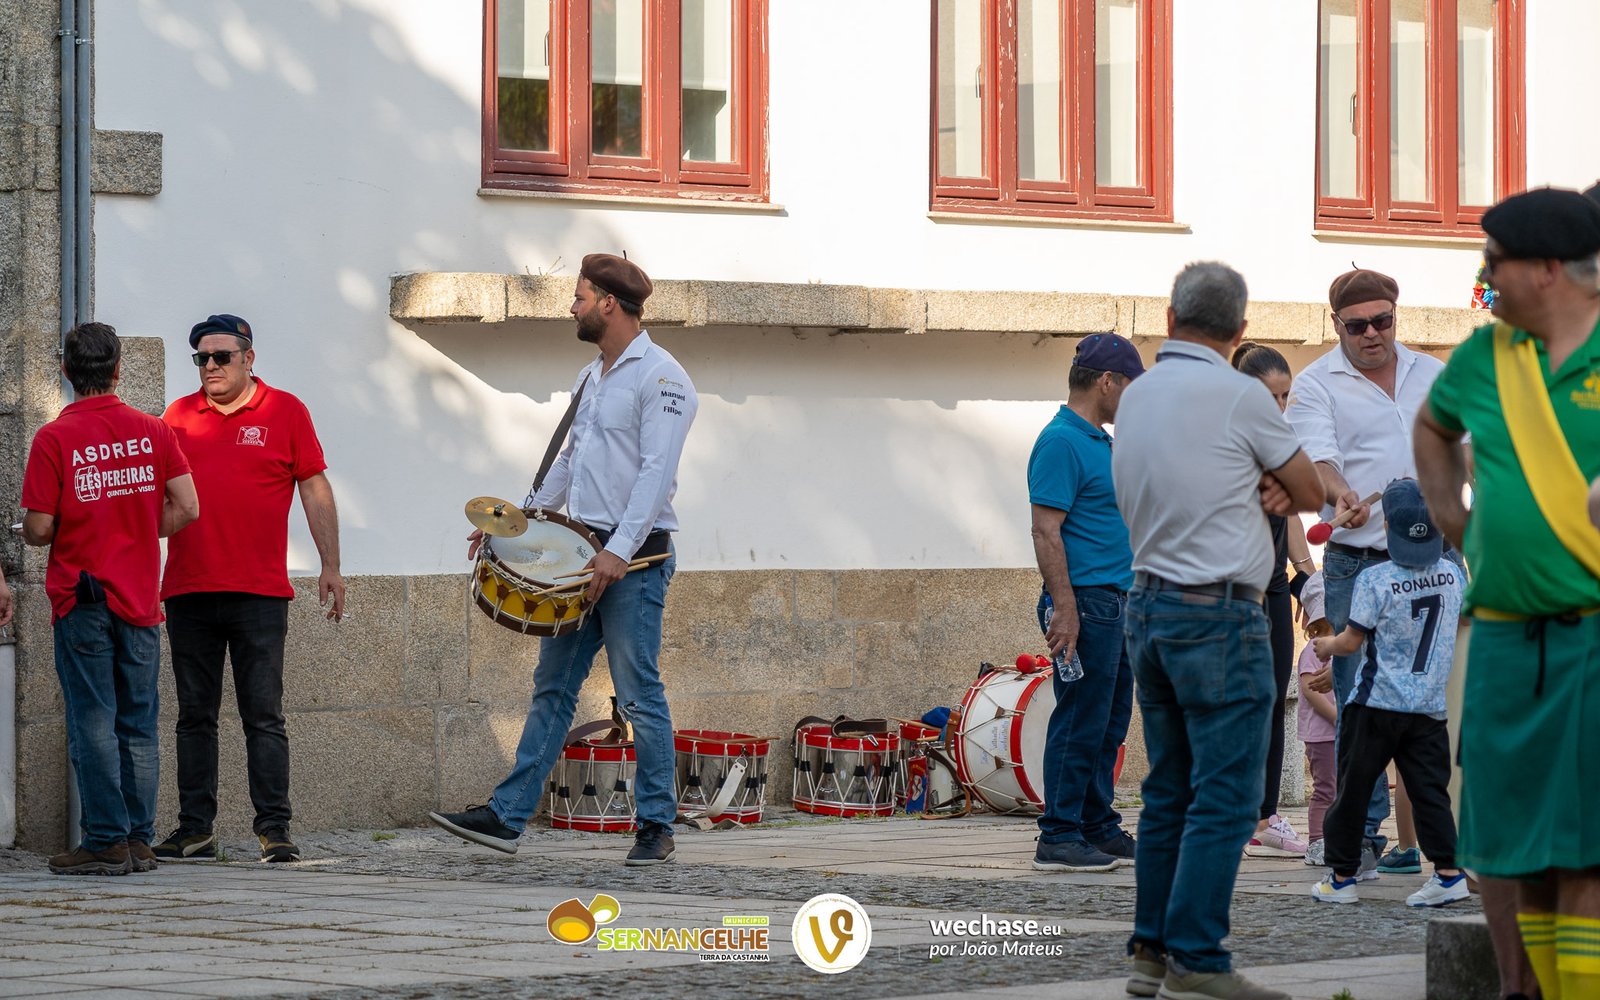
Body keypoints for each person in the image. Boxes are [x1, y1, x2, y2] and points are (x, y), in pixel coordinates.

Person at [431, 254, 697, 867]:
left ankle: (656, 825)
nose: (571, 307)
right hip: (579, 552)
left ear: (608, 303)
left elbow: (656, 477)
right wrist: (512, 530)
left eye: (579, 297)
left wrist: (616, 553)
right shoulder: (592, 376)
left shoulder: (663, 378)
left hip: (633, 558)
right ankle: (506, 818)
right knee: (553, 687)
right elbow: (568, 463)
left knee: (638, 695)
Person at [1112, 262, 1322, 1000]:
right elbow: (1310, 488)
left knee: (1168, 789)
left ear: (1170, 317)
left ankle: (1150, 952)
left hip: (1147, 605)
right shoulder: (1240, 396)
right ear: (1239, 332)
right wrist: (1267, 479)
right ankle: (1199, 957)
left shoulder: (1134, 397)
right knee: (1229, 793)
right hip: (1219, 612)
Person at [1415, 186, 1600, 1000]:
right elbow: (1432, 427)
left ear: (1548, 270)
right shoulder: (1483, 357)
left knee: (1584, 846)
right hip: (1498, 638)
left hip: (1590, 635)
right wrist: (1448, 513)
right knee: (1511, 844)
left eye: (1496, 263)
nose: (1484, 278)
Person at [153, 313, 345, 865]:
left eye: (221, 357)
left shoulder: (286, 411)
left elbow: (314, 488)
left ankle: (275, 830)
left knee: (264, 715)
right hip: (188, 589)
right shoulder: (177, 417)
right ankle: (196, 830)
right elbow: (157, 503)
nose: (209, 368)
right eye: (201, 359)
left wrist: (331, 565)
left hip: (259, 592)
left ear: (248, 358)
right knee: (194, 717)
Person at [20, 322, 199, 875]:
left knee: (93, 719)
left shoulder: (54, 438)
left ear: (67, 373)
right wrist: (140, 528)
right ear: (119, 369)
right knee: (139, 722)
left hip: (83, 598)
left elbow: (40, 529)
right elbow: (187, 507)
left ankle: (103, 839)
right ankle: (140, 840)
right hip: (142, 597)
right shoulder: (153, 431)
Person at [1285, 267, 1445, 876]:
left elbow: (1465, 445)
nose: (1373, 334)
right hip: (1357, 558)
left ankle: (1447, 832)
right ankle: (1363, 832)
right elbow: (1318, 456)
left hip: (1433, 557)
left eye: (1384, 321)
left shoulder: (1431, 374)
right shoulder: (1315, 383)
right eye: (1359, 326)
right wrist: (1341, 490)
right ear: (1337, 326)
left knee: (1434, 693)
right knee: (1358, 697)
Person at [1307, 479, 1467, 908]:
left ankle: (1341, 879)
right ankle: (1450, 874)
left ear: (1388, 530)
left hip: (1375, 705)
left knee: (1354, 790)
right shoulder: (1452, 575)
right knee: (1430, 791)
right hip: (1428, 708)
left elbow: (1350, 643)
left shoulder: (1377, 579)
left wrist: (1325, 645)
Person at [1026, 333, 1144, 873]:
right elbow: (1046, 532)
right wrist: (1065, 608)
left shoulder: (1100, 441)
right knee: (1080, 720)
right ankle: (1059, 834)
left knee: (1109, 722)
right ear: (1106, 382)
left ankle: (1096, 825)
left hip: (1116, 602)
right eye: (1131, 388)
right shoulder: (1061, 441)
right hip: (1087, 604)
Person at [1231, 342, 1314, 858]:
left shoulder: (1280, 438)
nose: (1280, 407)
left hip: (1273, 586)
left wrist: (1309, 579)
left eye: (1286, 396)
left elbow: (1291, 516)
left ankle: (1264, 815)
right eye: (1270, 397)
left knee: (1270, 699)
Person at [1295, 572, 1337, 854]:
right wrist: (1337, 717)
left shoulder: (1345, 645)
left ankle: (1338, 839)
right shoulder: (1315, 648)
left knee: (1340, 789)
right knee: (1326, 789)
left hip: (1339, 731)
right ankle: (1317, 842)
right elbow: (1311, 689)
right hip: (1323, 734)